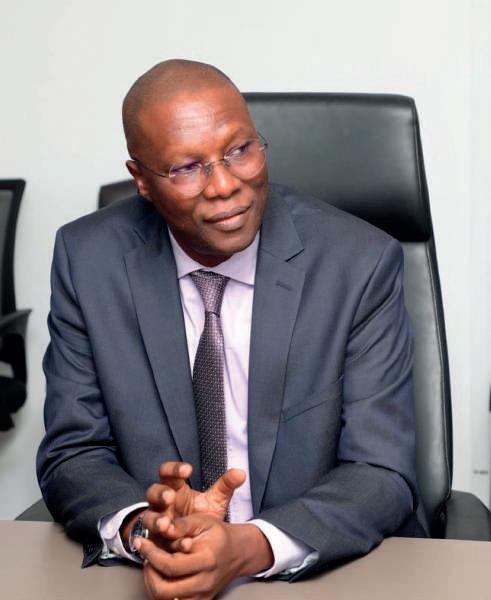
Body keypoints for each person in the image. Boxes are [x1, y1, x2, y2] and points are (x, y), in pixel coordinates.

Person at [37, 59, 426, 600]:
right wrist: (148, 530)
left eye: (240, 149)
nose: (225, 185)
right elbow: (74, 451)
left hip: (328, 573)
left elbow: (381, 471)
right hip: (155, 575)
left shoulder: (358, 263)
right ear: (142, 181)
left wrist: (247, 546)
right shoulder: (88, 260)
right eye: (186, 168)